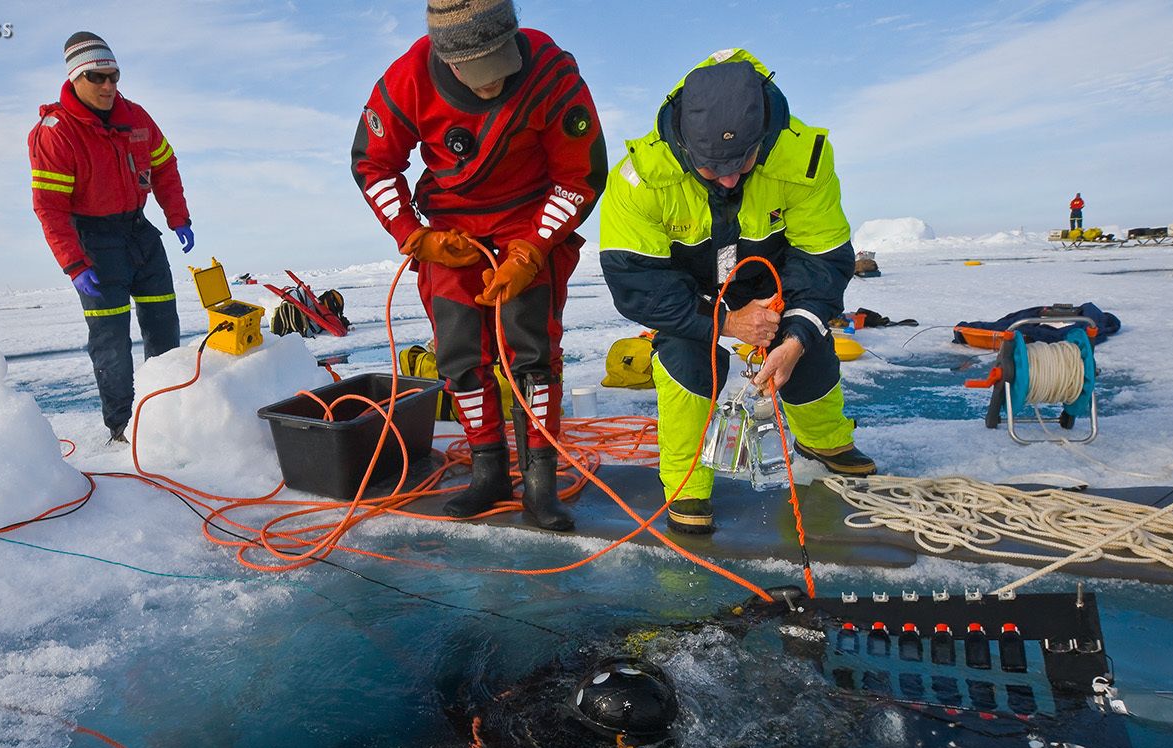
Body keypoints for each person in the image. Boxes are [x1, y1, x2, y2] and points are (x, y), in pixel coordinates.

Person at [351, 0, 607, 532]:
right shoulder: (407, 81)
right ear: (450, 63)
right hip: (452, 235)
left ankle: (540, 482)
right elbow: (372, 165)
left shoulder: (552, 73)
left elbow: (579, 176)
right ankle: (487, 470)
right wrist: (417, 237)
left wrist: (533, 248)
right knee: (460, 355)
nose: (492, 88)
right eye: (478, 78)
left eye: (502, 72)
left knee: (532, 355)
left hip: (530, 224)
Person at [598, 51, 874, 535]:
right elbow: (637, 284)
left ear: (763, 136)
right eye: (711, 167)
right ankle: (688, 484)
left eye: (743, 161)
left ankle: (823, 438)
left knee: (805, 336)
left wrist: (791, 340)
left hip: (769, 270)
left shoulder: (803, 160)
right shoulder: (637, 180)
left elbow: (822, 260)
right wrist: (723, 323)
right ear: (683, 143)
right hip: (686, 281)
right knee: (684, 352)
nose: (728, 178)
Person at [27, 32, 195, 444]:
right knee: (111, 340)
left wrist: (178, 217)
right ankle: (122, 426)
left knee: (164, 326)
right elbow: (50, 206)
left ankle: (163, 412)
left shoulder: (136, 117)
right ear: (76, 78)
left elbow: (165, 166)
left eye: (114, 76)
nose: (108, 86)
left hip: (138, 232)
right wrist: (74, 263)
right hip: (94, 241)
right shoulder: (56, 133)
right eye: (97, 77)